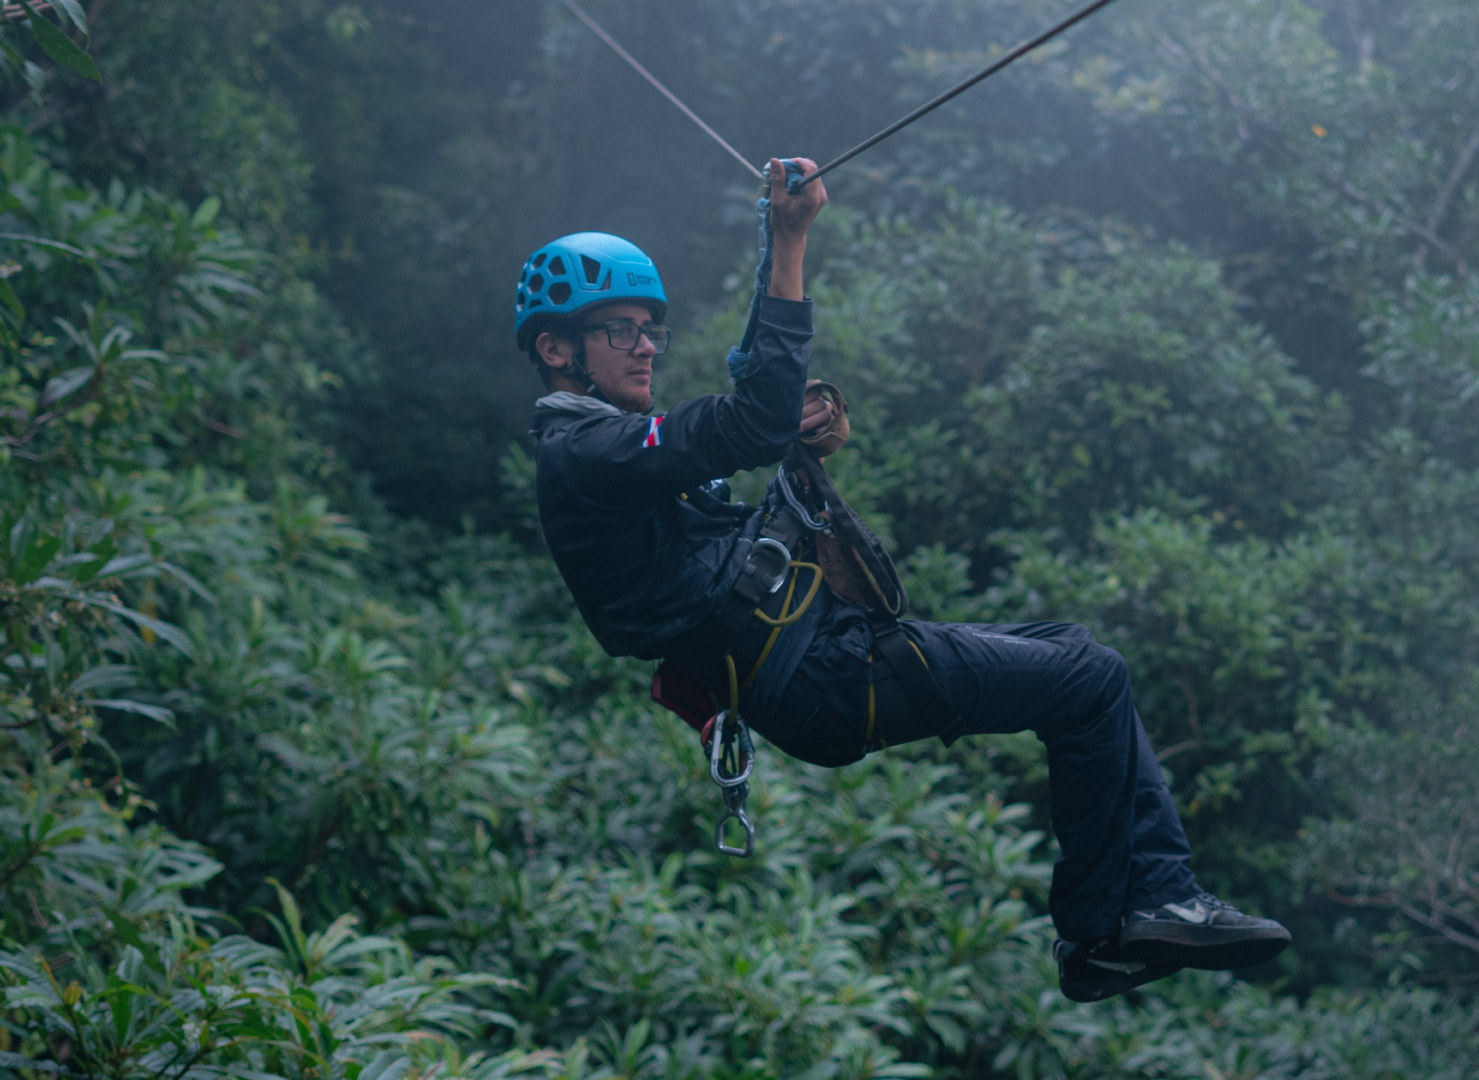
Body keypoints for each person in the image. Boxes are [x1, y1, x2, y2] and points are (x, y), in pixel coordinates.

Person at [520, 158, 1290, 1002]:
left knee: (1079, 658)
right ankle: (1126, 918)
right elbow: (743, 417)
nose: (644, 349)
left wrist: (786, 407)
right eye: (618, 332)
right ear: (557, 349)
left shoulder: (618, 453)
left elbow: (748, 400)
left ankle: (1112, 924)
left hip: (825, 661)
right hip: (821, 676)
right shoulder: (586, 455)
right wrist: (788, 241)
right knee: (1091, 678)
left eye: (648, 330)